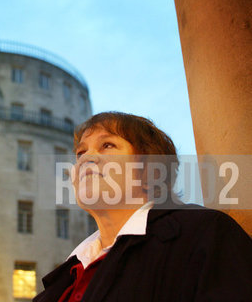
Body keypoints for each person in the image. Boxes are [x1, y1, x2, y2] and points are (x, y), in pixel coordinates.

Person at [33, 111, 252, 302]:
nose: (85, 158)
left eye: (107, 145)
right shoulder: (64, 275)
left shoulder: (206, 234)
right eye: (80, 153)